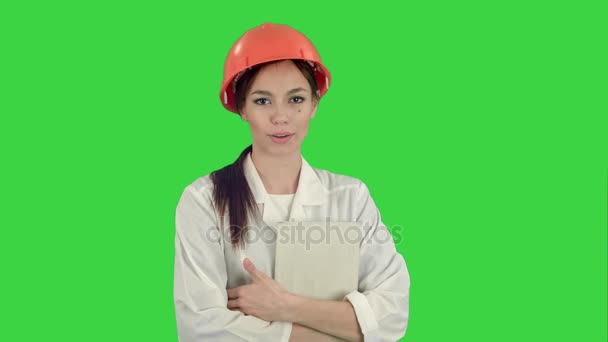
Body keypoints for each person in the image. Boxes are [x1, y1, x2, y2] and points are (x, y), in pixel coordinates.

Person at [174, 22, 410, 342]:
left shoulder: (351, 197)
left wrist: (286, 307)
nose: (280, 116)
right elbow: (200, 327)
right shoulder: (203, 200)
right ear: (241, 108)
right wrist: (339, 330)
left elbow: (393, 316)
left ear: (314, 105)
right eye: (262, 101)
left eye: (296, 99)